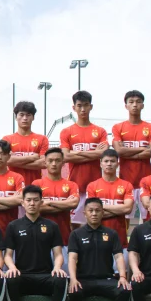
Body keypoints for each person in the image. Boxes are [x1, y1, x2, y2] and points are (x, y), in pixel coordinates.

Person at [2, 185, 69, 301]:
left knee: (61, 279)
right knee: (10, 280)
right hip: (23, 276)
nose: (32, 203)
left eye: (36, 200)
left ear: (41, 202)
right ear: (22, 203)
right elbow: (7, 255)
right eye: (28, 200)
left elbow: (58, 254)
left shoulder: (52, 226)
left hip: (45, 276)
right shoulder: (13, 226)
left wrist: (57, 267)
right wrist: (12, 267)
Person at [66, 198, 132, 301]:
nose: (94, 213)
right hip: (84, 280)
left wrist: (122, 276)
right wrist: (73, 279)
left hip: (106, 279)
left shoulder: (111, 234)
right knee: (73, 290)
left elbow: (119, 256)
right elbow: (72, 258)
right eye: (90, 210)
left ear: (103, 213)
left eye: (97, 210)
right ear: (84, 213)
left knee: (125, 289)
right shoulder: (76, 234)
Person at [60, 91, 109, 228]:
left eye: (86, 105)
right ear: (74, 107)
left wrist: (76, 152)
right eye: (79, 105)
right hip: (76, 185)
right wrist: (94, 152)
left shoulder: (100, 131)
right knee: (74, 226)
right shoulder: (67, 131)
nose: (83, 109)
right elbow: (66, 156)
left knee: (97, 223)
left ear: (91, 107)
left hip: (97, 186)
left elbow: (104, 154)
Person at [112, 90, 151, 220]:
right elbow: (119, 151)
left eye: (138, 102)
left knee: (149, 216)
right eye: (131, 102)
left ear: (143, 105)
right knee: (124, 218)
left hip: (147, 180)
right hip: (125, 180)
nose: (135, 105)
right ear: (126, 105)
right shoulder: (118, 127)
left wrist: (128, 152)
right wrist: (143, 149)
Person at [85, 149, 134, 249]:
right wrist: (119, 210)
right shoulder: (92, 186)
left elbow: (128, 209)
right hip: (97, 237)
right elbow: (91, 211)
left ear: (118, 164)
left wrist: (100, 208)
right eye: (106, 161)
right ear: (100, 164)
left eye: (112, 161)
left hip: (120, 238)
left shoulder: (127, 185)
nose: (109, 164)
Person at [35, 148, 80, 249]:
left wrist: (48, 202)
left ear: (63, 163)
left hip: (64, 238)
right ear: (45, 163)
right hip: (40, 238)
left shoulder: (71, 185)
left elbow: (73, 204)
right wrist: (65, 204)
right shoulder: (37, 184)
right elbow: (37, 207)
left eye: (57, 160)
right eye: (50, 161)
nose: (54, 164)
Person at [4, 101, 49, 185]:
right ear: (16, 117)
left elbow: (43, 163)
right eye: (21, 115)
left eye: (28, 115)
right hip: (13, 186)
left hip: (34, 186)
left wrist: (15, 162)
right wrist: (32, 158)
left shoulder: (42, 139)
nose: (25, 118)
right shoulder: (7, 139)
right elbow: (6, 160)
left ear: (33, 117)